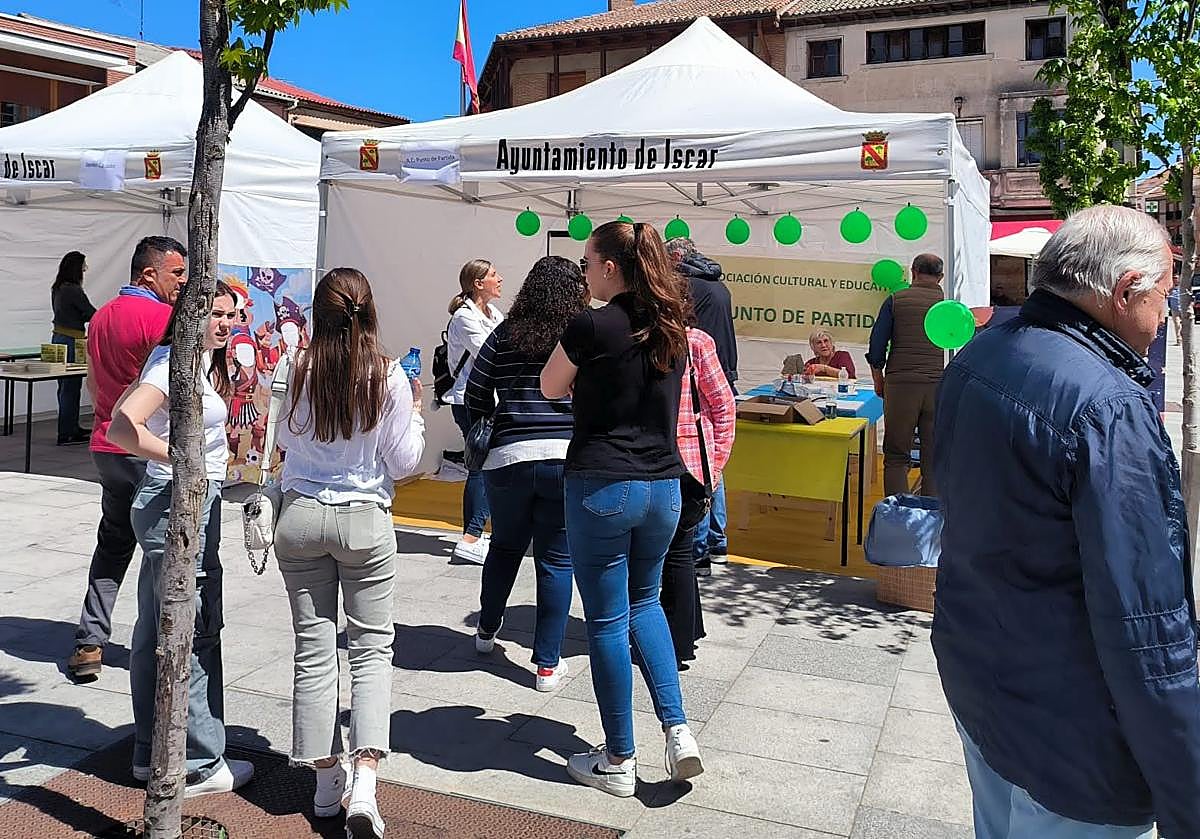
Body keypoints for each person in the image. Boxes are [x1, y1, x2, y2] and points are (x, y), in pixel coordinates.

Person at [933, 206, 1200, 839]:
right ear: (1124, 292)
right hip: (1074, 737)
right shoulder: (1108, 407)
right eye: (1164, 294)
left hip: (985, 682)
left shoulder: (984, 348)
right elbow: (1147, 625)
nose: (1167, 314)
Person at [542, 220, 703, 798]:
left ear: (611, 267)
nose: (585, 272)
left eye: (588, 263)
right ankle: (678, 728)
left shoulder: (592, 323)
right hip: (663, 484)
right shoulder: (673, 328)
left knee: (609, 620)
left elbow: (550, 386)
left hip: (602, 484)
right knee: (647, 603)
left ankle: (619, 757)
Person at [273, 268, 425, 837]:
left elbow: (285, 440)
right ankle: (365, 778)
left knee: (312, 651)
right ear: (370, 311)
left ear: (319, 312)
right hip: (364, 520)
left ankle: (324, 779)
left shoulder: (296, 367)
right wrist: (412, 410)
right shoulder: (385, 375)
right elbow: (404, 462)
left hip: (302, 515)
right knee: (370, 650)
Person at [107, 280, 253, 797]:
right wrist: (182, 459)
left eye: (230, 315)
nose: (226, 323)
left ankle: (154, 752)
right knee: (185, 630)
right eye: (216, 314)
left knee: (157, 628)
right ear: (190, 315)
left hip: (177, 497)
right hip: (177, 500)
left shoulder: (184, 359)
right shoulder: (175, 361)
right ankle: (195, 760)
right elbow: (124, 425)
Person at [66, 236, 186, 680]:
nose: (183, 282)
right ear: (148, 273)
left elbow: (94, 386)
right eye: (176, 273)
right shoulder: (161, 317)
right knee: (165, 551)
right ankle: (161, 643)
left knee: (113, 545)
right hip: (144, 447)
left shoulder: (100, 317)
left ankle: (89, 642)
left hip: (105, 445)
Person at [467, 256, 585, 692]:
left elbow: (477, 391)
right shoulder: (580, 336)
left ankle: (486, 631)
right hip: (565, 458)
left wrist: (493, 423)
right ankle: (547, 666)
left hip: (508, 458)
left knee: (504, 548)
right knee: (557, 561)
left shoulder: (505, 333)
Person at [661, 289, 735, 662]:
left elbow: (723, 406)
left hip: (688, 463)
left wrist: (716, 463)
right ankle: (686, 630)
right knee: (676, 553)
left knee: (676, 553)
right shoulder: (645, 340)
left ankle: (676, 639)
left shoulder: (696, 342)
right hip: (658, 460)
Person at [665, 236, 736, 572]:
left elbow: (689, 338)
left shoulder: (688, 286)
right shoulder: (718, 285)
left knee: (698, 466)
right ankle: (717, 540)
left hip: (696, 376)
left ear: (677, 256)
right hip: (720, 372)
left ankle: (699, 545)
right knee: (709, 466)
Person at [866, 253, 945, 497]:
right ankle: (930, 520)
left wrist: (878, 378)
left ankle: (897, 516)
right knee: (933, 457)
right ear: (940, 277)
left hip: (901, 385)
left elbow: (877, 345)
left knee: (896, 455)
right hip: (938, 385)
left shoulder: (895, 300)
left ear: (913, 272)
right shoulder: (950, 305)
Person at [445, 258, 504, 564]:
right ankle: (471, 537)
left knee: (483, 463)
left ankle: (475, 534)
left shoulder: (494, 313)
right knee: (482, 463)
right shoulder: (464, 318)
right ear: (478, 283)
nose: (500, 279)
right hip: (469, 400)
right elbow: (490, 352)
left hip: (488, 399)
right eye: (495, 275)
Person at [50, 250, 96, 446]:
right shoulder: (73, 290)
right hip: (71, 341)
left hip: (58, 338)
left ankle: (68, 426)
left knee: (64, 387)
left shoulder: (58, 288)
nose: (85, 269)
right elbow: (88, 312)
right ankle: (68, 431)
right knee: (71, 386)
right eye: (83, 265)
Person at [780, 330, 857, 379]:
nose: (823, 345)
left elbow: (849, 375)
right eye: (819, 343)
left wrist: (824, 368)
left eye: (826, 341)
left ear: (832, 344)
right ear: (813, 347)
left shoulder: (842, 356)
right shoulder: (811, 363)